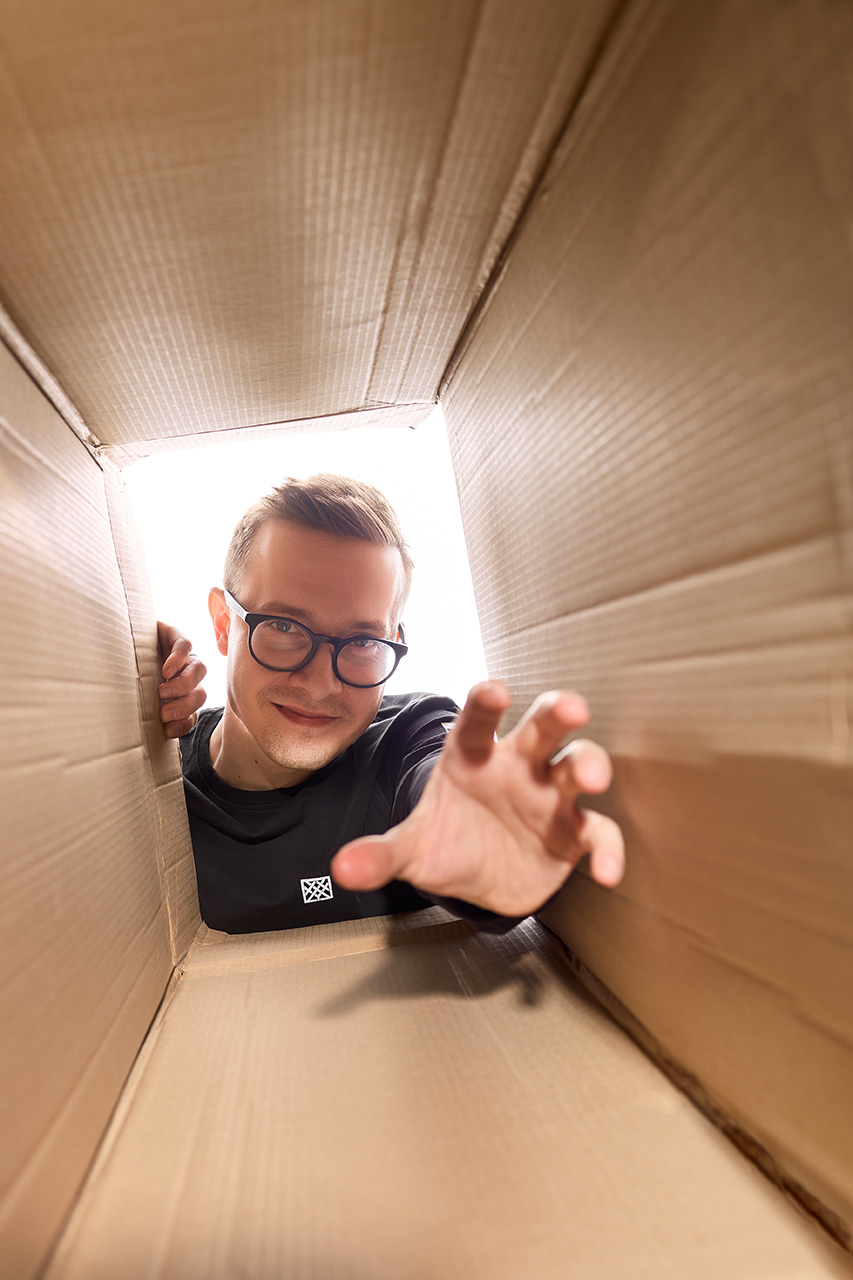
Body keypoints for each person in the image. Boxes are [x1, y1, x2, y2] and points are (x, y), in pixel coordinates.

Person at [157, 474, 625, 934]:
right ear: (224, 624)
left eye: (363, 640)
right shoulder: (153, 776)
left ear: (392, 641)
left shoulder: (411, 733)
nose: (320, 685)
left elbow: (444, 787)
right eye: (284, 626)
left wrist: (485, 845)